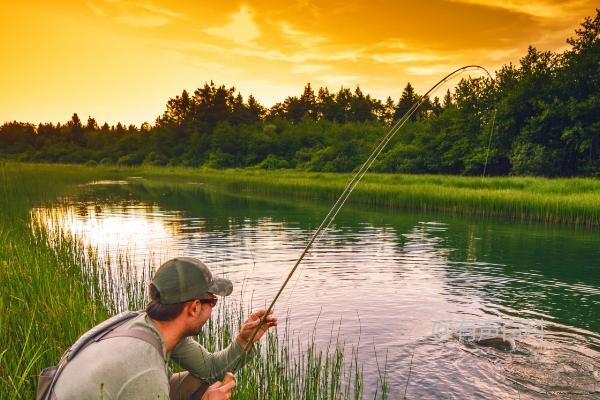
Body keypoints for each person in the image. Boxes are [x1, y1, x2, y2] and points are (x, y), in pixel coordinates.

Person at [51, 257, 277, 399]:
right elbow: (144, 377)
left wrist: (245, 341)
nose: (212, 310)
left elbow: (210, 370)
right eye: (212, 302)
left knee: (197, 381)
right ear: (194, 308)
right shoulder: (145, 370)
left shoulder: (147, 325)